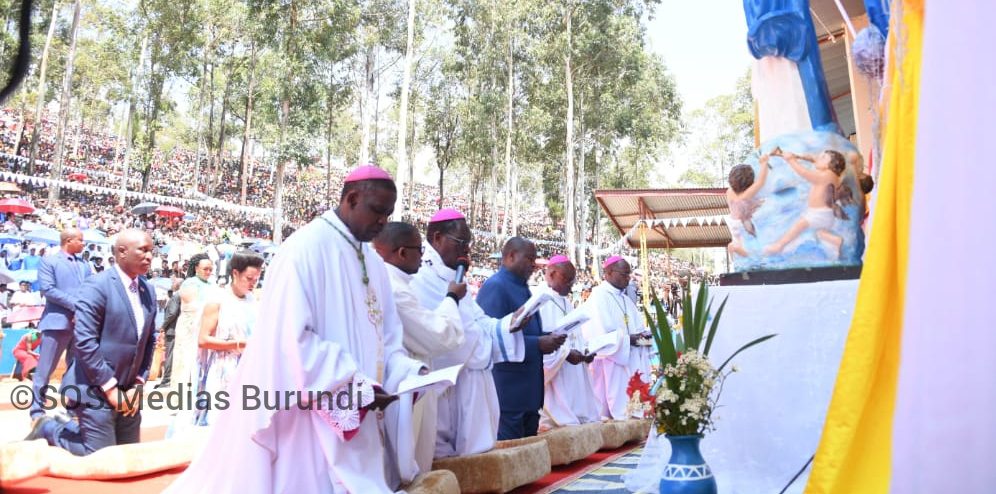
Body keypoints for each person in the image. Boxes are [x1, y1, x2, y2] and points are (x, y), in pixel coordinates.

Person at [165, 165, 425, 493]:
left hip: (363, 415)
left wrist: (407, 373)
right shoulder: (304, 249)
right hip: (307, 414)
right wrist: (355, 385)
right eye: (377, 211)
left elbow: (386, 337)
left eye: (388, 214)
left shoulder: (373, 262)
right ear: (351, 199)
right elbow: (291, 338)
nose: (382, 222)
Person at [26, 230, 158, 456]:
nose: (149, 256)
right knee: (100, 457)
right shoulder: (97, 285)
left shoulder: (148, 290)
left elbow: (149, 340)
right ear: (122, 252)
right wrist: (110, 389)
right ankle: (49, 428)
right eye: (143, 250)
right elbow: (85, 342)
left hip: (128, 389)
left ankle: (72, 426)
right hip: (94, 387)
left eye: (151, 251)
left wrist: (138, 383)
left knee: (128, 456)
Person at [410, 209, 527, 458]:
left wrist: (508, 324)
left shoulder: (453, 276)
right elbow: (446, 335)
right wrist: (482, 342)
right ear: (437, 238)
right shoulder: (421, 277)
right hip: (450, 385)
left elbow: (477, 320)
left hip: (472, 379)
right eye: (461, 242)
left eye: (468, 243)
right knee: (443, 455)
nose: (466, 250)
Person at [373, 221, 466, 486]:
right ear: (402, 253)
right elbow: (439, 335)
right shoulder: (393, 288)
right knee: (405, 468)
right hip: (401, 385)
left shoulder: (393, 281)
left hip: (400, 381)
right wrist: (452, 298)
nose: (423, 257)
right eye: (419, 250)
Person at [477, 237, 566, 440]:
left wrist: (548, 338)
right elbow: (490, 337)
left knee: (529, 451)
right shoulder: (496, 286)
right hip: (509, 390)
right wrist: (538, 344)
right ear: (511, 256)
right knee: (511, 451)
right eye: (529, 259)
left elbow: (525, 331)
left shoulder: (523, 287)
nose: (533, 265)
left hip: (529, 390)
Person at [193, 250, 263, 426]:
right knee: (224, 424)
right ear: (235, 273)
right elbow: (203, 340)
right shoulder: (217, 300)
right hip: (224, 369)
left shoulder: (252, 301)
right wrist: (237, 344)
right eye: (249, 278)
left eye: (256, 279)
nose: (253, 284)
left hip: (250, 369)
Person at [579, 256, 652, 420]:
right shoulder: (598, 297)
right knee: (612, 414)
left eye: (629, 274)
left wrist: (646, 338)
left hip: (631, 360)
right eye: (624, 274)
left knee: (634, 410)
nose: (628, 278)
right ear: (609, 273)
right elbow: (600, 338)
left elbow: (638, 329)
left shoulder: (625, 299)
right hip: (611, 364)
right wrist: (629, 340)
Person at [29, 228, 91, 421]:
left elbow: (90, 290)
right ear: (68, 240)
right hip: (57, 322)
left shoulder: (85, 265)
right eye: (80, 240)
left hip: (81, 324)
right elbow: (48, 290)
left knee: (76, 369)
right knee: (45, 369)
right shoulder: (49, 261)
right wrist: (77, 305)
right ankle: (37, 410)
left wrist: (85, 310)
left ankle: (73, 407)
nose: (83, 244)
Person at [534, 256, 600, 430]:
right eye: (567, 279)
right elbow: (540, 341)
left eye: (573, 280)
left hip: (573, 370)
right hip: (556, 372)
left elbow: (575, 335)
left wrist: (585, 352)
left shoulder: (565, 301)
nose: (571, 285)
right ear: (551, 273)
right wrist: (566, 354)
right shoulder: (539, 298)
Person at [764, 149, 848, 257]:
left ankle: (779, 245)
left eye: (823, 157)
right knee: (819, 232)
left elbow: (805, 174)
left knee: (799, 225)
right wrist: (800, 156)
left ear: (832, 164)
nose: (818, 158)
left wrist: (791, 160)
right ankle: (835, 241)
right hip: (823, 214)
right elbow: (814, 158)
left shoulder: (828, 175)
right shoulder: (830, 174)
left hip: (819, 213)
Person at [168, 252, 215, 393]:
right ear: (196, 268)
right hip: (189, 328)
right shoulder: (189, 283)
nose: (208, 272)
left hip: (204, 328)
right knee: (185, 363)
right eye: (205, 269)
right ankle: (181, 396)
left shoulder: (211, 284)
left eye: (210, 269)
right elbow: (192, 305)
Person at [725, 155, 770, 257]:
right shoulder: (747, 195)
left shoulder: (729, 192)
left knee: (739, 243)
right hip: (744, 224)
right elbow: (761, 182)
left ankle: (736, 250)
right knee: (755, 248)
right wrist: (764, 163)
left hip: (734, 223)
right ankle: (736, 248)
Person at [154, 280, 182, 389]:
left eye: (174, 282)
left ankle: (167, 380)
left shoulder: (176, 296)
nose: (172, 282)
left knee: (169, 355)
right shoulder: (180, 296)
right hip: (176, 330)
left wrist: (163, 325)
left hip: (172, 330)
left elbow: (172, 313)